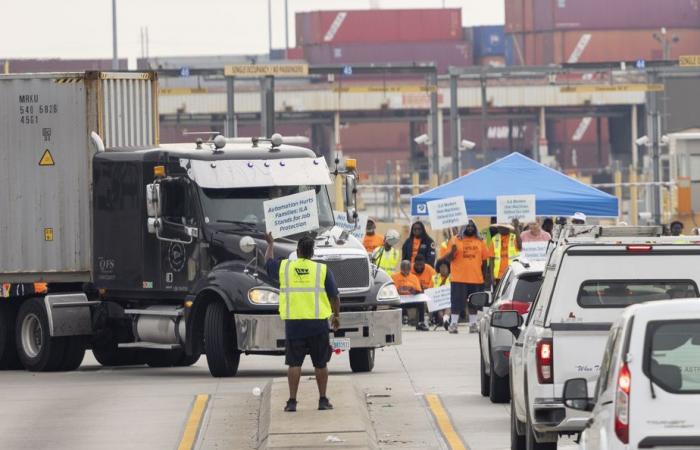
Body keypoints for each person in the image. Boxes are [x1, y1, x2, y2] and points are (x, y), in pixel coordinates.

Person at [264, 233, 341, 413]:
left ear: (297, 251)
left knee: (294, 364)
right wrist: (336, 316)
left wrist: (271, 244)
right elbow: (334, 296)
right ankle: (322, 400)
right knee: (321, 364)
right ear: (312, 253)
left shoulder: (285, 267)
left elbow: (267, 263)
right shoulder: (322, 270)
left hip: (295, 324)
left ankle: (292, 402)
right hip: (318, 324)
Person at [446, 221, 491, 334]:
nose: (470, 228)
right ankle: (454, 324)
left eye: (472, 226)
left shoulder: (480, 241)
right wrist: (453, 251)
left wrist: (485, 277)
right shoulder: (455, 240)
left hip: (476, 278)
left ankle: (473, 324)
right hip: (458, 278)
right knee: (456, 302)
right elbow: (449, 259)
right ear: (463, 227)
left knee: (474, 303)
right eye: (467, 226)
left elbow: (485, 261)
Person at [392, 260, 428, 331]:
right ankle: (393, 324)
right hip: (399, 300)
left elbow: (419, 291)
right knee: (391, 304)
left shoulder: (414, 277)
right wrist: (398, 290)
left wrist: (414, 291)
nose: (405, 271)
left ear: (410, 269)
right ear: (400, 268)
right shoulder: (394, 277)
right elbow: (391, 290)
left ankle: (421, 323)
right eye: (403, 268)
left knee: (421, 304)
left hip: (411, 300)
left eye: (407, 269)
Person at [489, 221, 521, 288]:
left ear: (508, 228)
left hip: (512, 273)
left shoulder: (514, 237)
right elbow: (491, 259)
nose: (499, 229)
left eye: (502, 227)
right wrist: (492, 276)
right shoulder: (494, 239)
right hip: (498, 275)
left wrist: (516, 228)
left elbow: (520, 247)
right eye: (499, 227)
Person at [411, 254, 435, 332]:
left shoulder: (430, 270)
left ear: (424, 263)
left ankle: (428, 320)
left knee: (427, 300)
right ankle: (419, 321)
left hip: (427, 292)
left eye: (421, 265)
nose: (419, 267)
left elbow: (434, 283)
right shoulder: (409, 269)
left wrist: (424, 290)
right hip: (414, 294)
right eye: (417, 265)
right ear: (414, 263)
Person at [431, 261, 452, 330]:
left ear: (448, 268)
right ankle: (445, 320)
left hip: (448, 299)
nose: (443, 269)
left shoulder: (453, 277)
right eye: (441, 267)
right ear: (438, 268)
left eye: (445, 267)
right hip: (437, 300)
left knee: (447, 306)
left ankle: (445, 320)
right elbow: (430, 289)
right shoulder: (434, 277)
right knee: (440, 308)